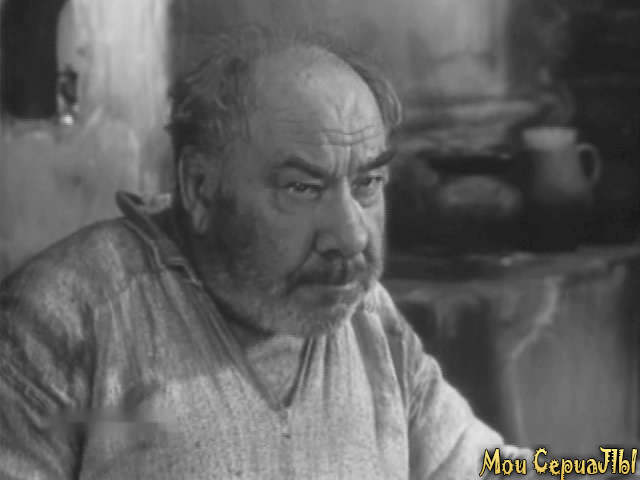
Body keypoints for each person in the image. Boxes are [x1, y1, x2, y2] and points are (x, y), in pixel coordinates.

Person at [0, 26, 533, 479]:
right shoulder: (67, 321)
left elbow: (486, 466)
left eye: (368, 183)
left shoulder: (369, 323)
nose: (351, 237)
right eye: (302, 187)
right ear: (201, 188)